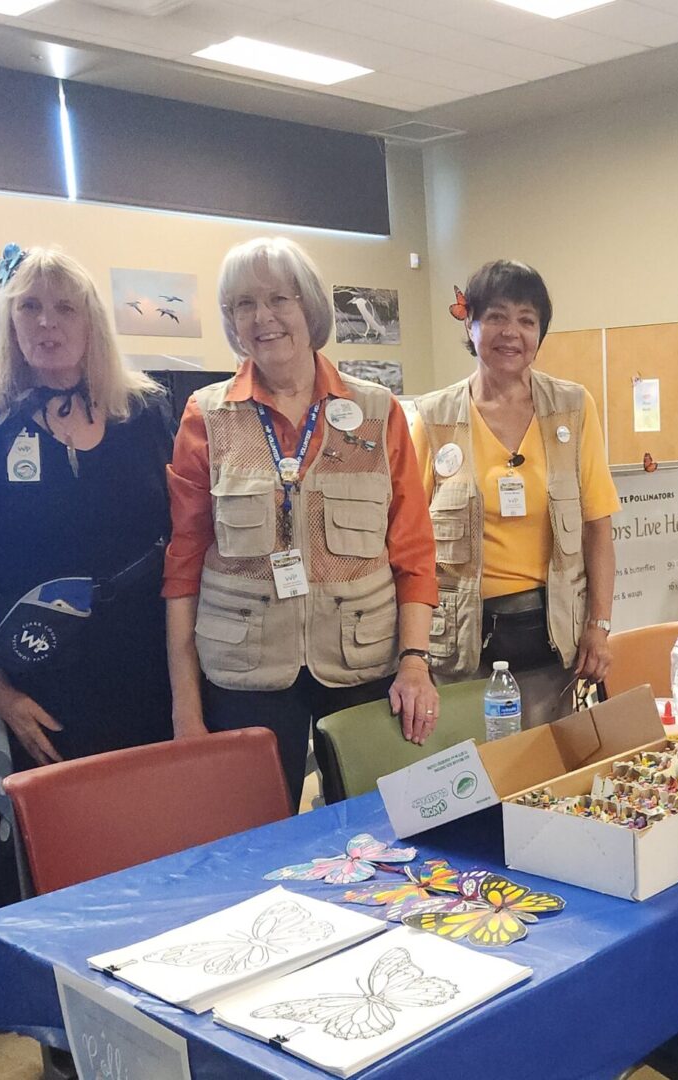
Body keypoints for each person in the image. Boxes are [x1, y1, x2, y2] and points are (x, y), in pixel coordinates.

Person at [0, 245, 175, 942]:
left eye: (64, 308)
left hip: (142, 670)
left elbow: (180, 542)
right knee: (49, 863)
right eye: (29, 307)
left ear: (92, 321)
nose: (47, 323)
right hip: (29, 680)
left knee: (142, 842)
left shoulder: (144, 411)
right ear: (8, 320)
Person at [162, 237, 438, 809]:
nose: (262, 317)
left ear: (309, 306)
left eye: (278, 299)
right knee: (254, 832)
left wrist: (415, 663)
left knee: (377, 825)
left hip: (364, 662)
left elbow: (413, 551)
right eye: (243, 304)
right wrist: (185, 707)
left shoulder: (377, 411)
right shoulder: (207, 416)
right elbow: (183, 565)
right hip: (245, 671)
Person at [412, 260, 619, 727]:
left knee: (544, 759)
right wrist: (412, 654)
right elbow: (409, 544)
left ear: (540, 333)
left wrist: (599, 626)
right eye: (497, 316)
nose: (512, 332)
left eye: (527, 320)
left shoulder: (572, 408)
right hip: (459, 644)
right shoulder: (433, 418)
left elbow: (598, 530)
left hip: (552, 640)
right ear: (470, 323)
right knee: (470, 762)